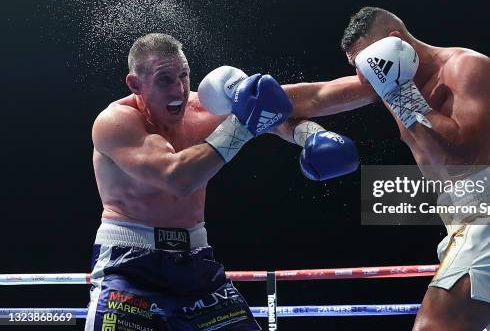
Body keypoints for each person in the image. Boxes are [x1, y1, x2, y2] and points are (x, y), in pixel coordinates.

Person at [282, 7, 490, 330]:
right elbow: (316, 97)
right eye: (358, 66)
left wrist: (402, 94)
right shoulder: (386, 81)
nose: (364, 75)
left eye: (368, 62)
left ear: (394, 41)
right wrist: (245, 98)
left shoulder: (466, 67)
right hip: (472, 219)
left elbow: (463, 156)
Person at [85, 33, 359, 330]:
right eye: (165, 79)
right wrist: (241, 126)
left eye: (184, 75)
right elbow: (176, 178)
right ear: (136, 84)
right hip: (129, 266)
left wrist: (314, 134)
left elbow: (304, 100)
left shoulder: (205, 110)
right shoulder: (116, 122)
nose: (178, 88)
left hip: (196, 266)